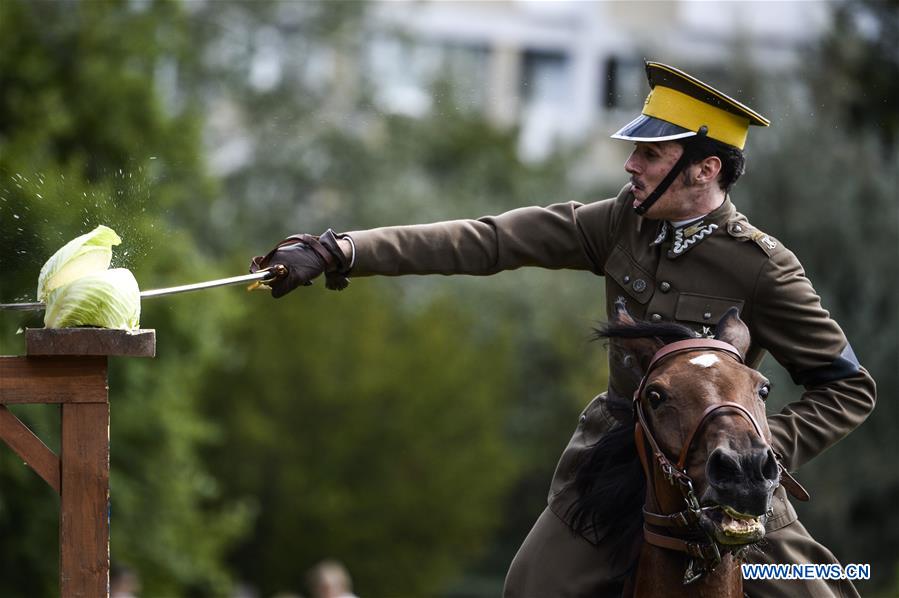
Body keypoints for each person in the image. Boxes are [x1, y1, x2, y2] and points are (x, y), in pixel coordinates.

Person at [252, 62, 876, 597]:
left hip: (725, 476)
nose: (631, 164)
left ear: (704, 169)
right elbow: (490, 240)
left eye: (650, 155)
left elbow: (850, 388)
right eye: (636, 151)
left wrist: (751, 448)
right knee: (530, 586)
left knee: (821, 590)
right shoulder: (619, 223)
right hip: (617, 461)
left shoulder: (763, 267)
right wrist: (343, 251)